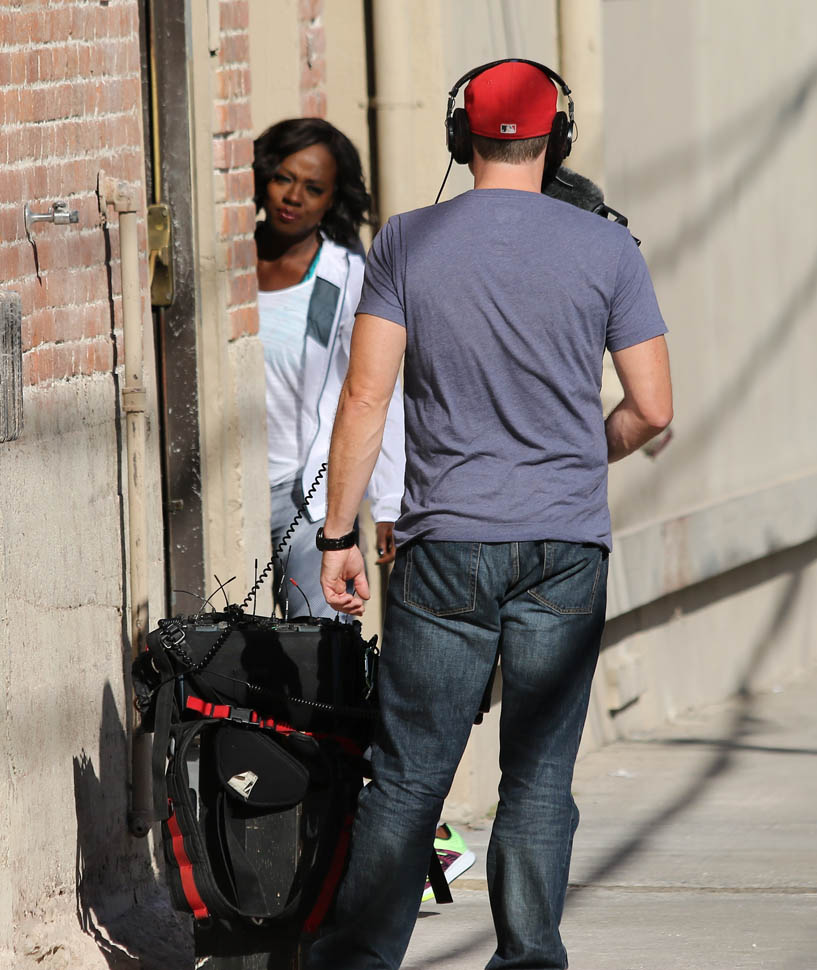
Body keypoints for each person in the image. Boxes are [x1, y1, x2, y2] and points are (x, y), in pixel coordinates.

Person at [307, 60, 673, 970]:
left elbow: (364, 398)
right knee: (538, 777)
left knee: (407, 777)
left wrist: (338, 532)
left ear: (458, 135)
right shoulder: (607, 248)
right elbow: (652, 408)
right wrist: (579, 457)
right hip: (565, 549)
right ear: (558, 139)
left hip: (445, 546)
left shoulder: (407, 241)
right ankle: (529, 959)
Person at [253, 117, 473, 895]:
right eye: (284, 177)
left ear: (333, 199)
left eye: (312, 188)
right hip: (231, 495)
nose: (293, 196)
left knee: (326, 670)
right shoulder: (227, 264)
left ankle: (416, 838)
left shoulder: (347, 276)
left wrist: (384, 505)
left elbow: (376, 397)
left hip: (312, 498)